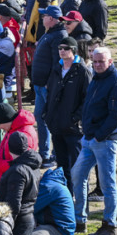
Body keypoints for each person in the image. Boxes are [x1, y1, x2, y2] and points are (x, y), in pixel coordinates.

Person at [73, 47, 117, 235]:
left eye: (101, 62)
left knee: (107, 183)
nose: (97, 65)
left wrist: (99, 136)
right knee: (77, 175)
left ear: (110, 62)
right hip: (89, 138)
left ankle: (110, 225)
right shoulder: (96, 77)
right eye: (94, 61)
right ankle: (79, 219)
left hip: (104, 141)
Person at [44, 36, 91, 187]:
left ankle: (79, 195)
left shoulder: (82, 72)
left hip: (73, 128)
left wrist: (74, 118)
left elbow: (87, 100)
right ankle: (66, 196)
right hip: (56, 125)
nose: (62, 51)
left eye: (66, 48)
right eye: (60, 48)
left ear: (74, 50)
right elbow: (50, 93)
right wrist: (47, 114)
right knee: (61, 165)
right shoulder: (56, 69)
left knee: (77, 165)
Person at [30, 5, 68, 164]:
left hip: (46, 87)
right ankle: (44, 153)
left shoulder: (58, 36)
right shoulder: (51, 33)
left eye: (44, 16)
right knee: (40, 117)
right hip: (40, 86)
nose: (42, 18)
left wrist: (50, 84)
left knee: (51, 119)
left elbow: (57, 63)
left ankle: (54, 154)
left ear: (51, 19)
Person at [31, 166, 74, 235]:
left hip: (61, 229)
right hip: (53, 224)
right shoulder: (50, 181)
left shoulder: (47, 187)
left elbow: (31, 207)